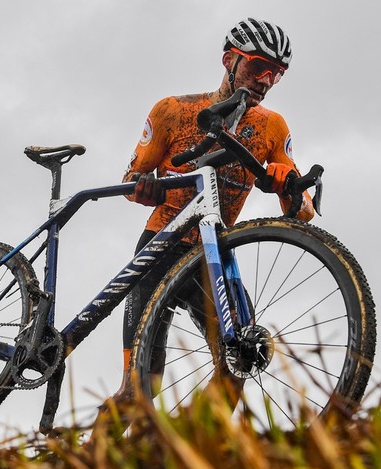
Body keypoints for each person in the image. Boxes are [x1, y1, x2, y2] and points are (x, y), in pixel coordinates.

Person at [116, 17, 315, 401]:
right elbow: (131, 178)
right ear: (229, 60)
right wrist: (144, 189)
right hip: (159, 245)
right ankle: (95, 455)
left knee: (240, 365)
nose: (265, 82)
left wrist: (285, 186)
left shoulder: (273, 127)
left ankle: (190, 450)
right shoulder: (172, 110)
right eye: (258, 68)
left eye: (277, 75)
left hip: (214, 253)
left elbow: (302, 210)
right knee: (138, 389)